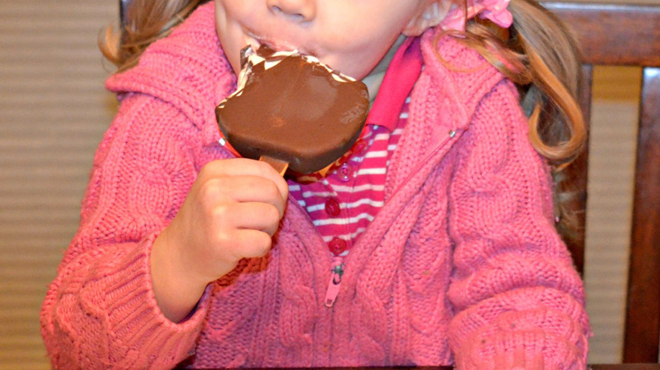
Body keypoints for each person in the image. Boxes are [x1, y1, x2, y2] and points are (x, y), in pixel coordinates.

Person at [40, 0, 591, 369]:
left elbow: (520, 295)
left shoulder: (470, 107)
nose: (288, 2)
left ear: (432, 8)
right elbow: (77, 346)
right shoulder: (166, 113)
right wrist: (178, 261)